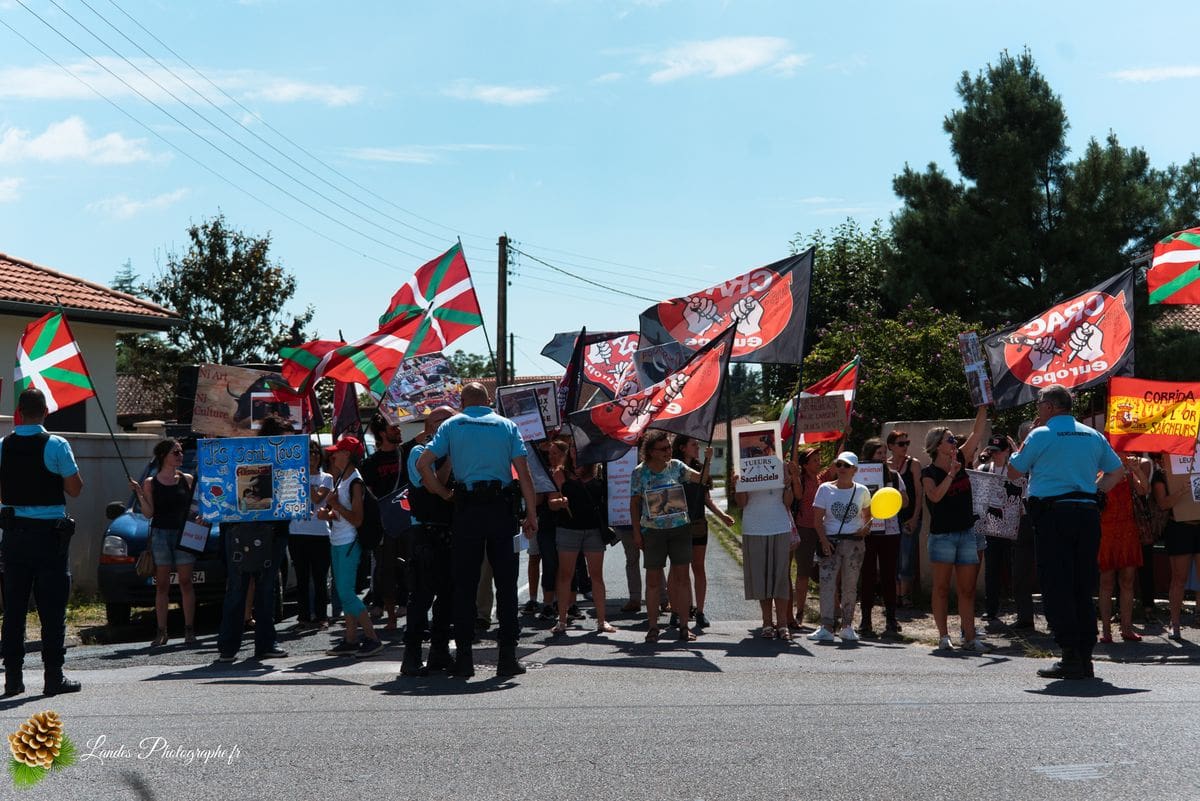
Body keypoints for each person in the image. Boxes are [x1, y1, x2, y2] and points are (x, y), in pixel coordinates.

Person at [416, 382, 538, 678]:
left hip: (467, 510)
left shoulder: (452, 425)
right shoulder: (507, 425)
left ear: (462, 402)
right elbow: (524, 473)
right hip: (501, 511)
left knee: (465, 585)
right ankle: (507, 657)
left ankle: (465, 659)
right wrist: (532, 514)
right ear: (489, 400)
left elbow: (422, 463)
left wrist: (443, 493)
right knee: (506, 585)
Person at [1008, 384, 1124, 680]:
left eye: (1039, 404)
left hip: (1053, 516)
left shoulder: (1040, 434)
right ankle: (1085, 656)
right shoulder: (1092, 434)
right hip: (1086, 515)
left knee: (1057, 584)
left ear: (1049, 406)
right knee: (1082, 585)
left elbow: (1014, 470)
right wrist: (1096, 492)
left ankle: (1070, 655)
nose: (1037, 409)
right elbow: (1117, 470)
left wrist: (1024, 442)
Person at [0, 388, 84, 697]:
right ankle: (53, 677)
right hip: (49, 538)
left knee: (14, 610)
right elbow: (74, 489)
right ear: (46, 411)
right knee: (52, 609)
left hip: (14, 536)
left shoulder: (3, 446)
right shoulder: (56, 444)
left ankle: (13, 679)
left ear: (19, 413)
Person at [216, 415, 294, 663]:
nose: (289, 446)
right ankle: (228, 646)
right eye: (284, 440)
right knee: (237, 588)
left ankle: (265, 643)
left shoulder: (290, 465)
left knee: (266, 590)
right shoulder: (246, 458)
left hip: (275, 532)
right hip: (242, 532)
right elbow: (233, 494)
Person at [629, 430, 709, 643]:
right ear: (651, 451)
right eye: (663, 448)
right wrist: (636, 532)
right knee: (653, 580)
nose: (668, 451)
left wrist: (708, 459)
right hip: (653, 531)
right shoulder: (639, 472)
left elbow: (702, 479)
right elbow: (634, 503)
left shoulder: (676, 466)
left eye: (669, 447)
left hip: (680, 529)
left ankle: (684, 626)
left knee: (682, 579)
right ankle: (653, 627)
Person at [922, 406, 988, 652]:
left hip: (967, 533)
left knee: (967, 590)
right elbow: (935, 497)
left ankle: (969, 638)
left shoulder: (961, 456)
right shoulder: (928, 472)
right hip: (942, 536)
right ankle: (943, 636)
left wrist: (983, 406)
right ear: (938, 445)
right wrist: (951, 474)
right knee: (941, 588)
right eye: (950, 439)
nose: (954, 443)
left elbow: (977, 433)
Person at [400, 406, 458, 676]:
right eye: (443, 421)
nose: (449, 425)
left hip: (449, 530)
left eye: (451, 420)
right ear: (430, 426)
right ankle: (411, 656)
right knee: (421, 596)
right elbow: (435, 484)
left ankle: (439, 653)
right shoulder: (418, 452)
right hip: (424, 531)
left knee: (447, 596)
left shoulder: (452, 452)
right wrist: (451, 460)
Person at [321, 435, 385, 659]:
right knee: (344, 591)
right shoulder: (343, 479)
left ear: (347, 455)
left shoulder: (356, 483)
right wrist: (329, 514)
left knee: (346, 593)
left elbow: (357, 519)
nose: (333, 455)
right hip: (338, 540)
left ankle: (372, 638)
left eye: (337, 452)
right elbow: (341, 513)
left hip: (349, 542)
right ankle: (350, 639)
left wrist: (335, 505)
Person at [130, 438, 197, 647]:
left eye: (181, 452)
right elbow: (148, 513)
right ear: (163, 456)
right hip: (160, 534)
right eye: (175, 452)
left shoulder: (187, 479)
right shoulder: (151, 482)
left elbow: (195, 507)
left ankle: (189, 629)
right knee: (162, 585)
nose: (180, 455)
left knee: (186, 581)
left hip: (183, 534)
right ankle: (161, 631)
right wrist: (140, 494)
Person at [807, 451, 871, 643]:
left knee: (850, 585)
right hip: (831, 542)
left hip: (854, 544)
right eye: (839, 464)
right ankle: (826, 626)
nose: (842, 468)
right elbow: (817, 520)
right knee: (827, 584)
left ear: (854, 470)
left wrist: (865, 529)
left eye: (846, 465)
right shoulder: (825, 489)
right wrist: (824, 541)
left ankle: (847, 626)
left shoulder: (862, 490)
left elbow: (868, 515)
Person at [551, 451, 617, 634]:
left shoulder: (599, 471)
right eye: (572, 447)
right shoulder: (561, 473)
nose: (575, 450)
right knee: (565, 575)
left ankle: (602, 621)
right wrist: (559, 502)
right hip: (568, 529)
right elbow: (551, 502)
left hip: (594, 530)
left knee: (596, 576)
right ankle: (561, 620)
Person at [673, 435, 733, 629]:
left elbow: (706, 497)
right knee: (678, 570)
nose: (697, 447)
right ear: (682, 448)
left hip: (698, 523)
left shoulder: (701, 468)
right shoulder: (673, 468)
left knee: (698, 567)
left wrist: (722, 515)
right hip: (678, 524)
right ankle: (678, 610)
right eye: (694, 444)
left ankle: (700, 611)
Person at [733, 457, 796, 640]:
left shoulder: (782, 466)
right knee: (762, 576)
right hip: (754, 528)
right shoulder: (743, 467)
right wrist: (738, 484)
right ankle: (767, 622)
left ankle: (783, 624)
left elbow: (788, 502)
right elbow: (742, 503)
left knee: (780, 576)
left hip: (779, 526)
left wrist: (788, 484)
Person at [359, 413, 407, 631]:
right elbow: (369, 495)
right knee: (386, 569)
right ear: (382, 433)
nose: (398, 430)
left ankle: (407, 605)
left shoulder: (407, 453)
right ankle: (390, 617)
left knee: (410, 567)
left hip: (408, 521)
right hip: (385, 524)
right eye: (393, 428)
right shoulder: (370, 464)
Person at [857, 438, 906, 637]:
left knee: (888, 575)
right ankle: (865, 621)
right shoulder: (858, 475)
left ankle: (891, 619)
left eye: (885, 453)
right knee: (867, 575)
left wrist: (893, 497)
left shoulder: (894, 475)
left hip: (890, 532)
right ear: (869, 455)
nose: (883, 456)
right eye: (879, 453)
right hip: (868, 531)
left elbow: (905, 501)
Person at [1098, 453, 1149, 643]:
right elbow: (1094, 493)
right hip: (1106, 533)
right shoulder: (1099, 472)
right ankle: (1106, 630)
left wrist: (1136, 470)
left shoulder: (1128, 475)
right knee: (1106, 582)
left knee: (1128, 581)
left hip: (1128, 532)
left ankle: (1127, 628)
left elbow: (1144, 490)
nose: (1122, 456)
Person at [1151, 453, 1200, 641]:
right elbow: (1163, 504)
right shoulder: (1161, 475)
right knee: (1179, 578)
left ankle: (1198, 614)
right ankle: (1175, 622)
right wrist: (1181, 491)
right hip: (1179, 528)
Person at [288, 438, 333, 630]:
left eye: (315, 453)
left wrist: (302, 477)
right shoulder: (293, 476)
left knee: (319, 578)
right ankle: (303, 617)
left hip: (319, 534)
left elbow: (317, 498)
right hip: (297, 533)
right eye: (308, 453)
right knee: (302, 578)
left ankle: (321, 616)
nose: (312, 456)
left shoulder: (326, 478)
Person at [887, 430, 924, 608]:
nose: (905, 447)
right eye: (901, 444)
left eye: (906, 443)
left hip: (909, 517)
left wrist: (915, 517)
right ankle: (895, 594)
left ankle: (905, 595)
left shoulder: (913, 464)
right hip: (891, 518)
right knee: (893, 556)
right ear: (891, 446)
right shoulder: (885, 465)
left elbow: (918, 493)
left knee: (906, 557)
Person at [789, 447, 823, 631]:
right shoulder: (801, 479)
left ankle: (832, 613)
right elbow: (799, 495)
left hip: (822, 530)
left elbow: (837, 463)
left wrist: (844, 437)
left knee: (827, 570)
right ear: (805, 465)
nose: (818, 462)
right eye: (814, 460)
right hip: (804, 529)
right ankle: (800, 613)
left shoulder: (822, 479)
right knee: (803, 573)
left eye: (819, 459)